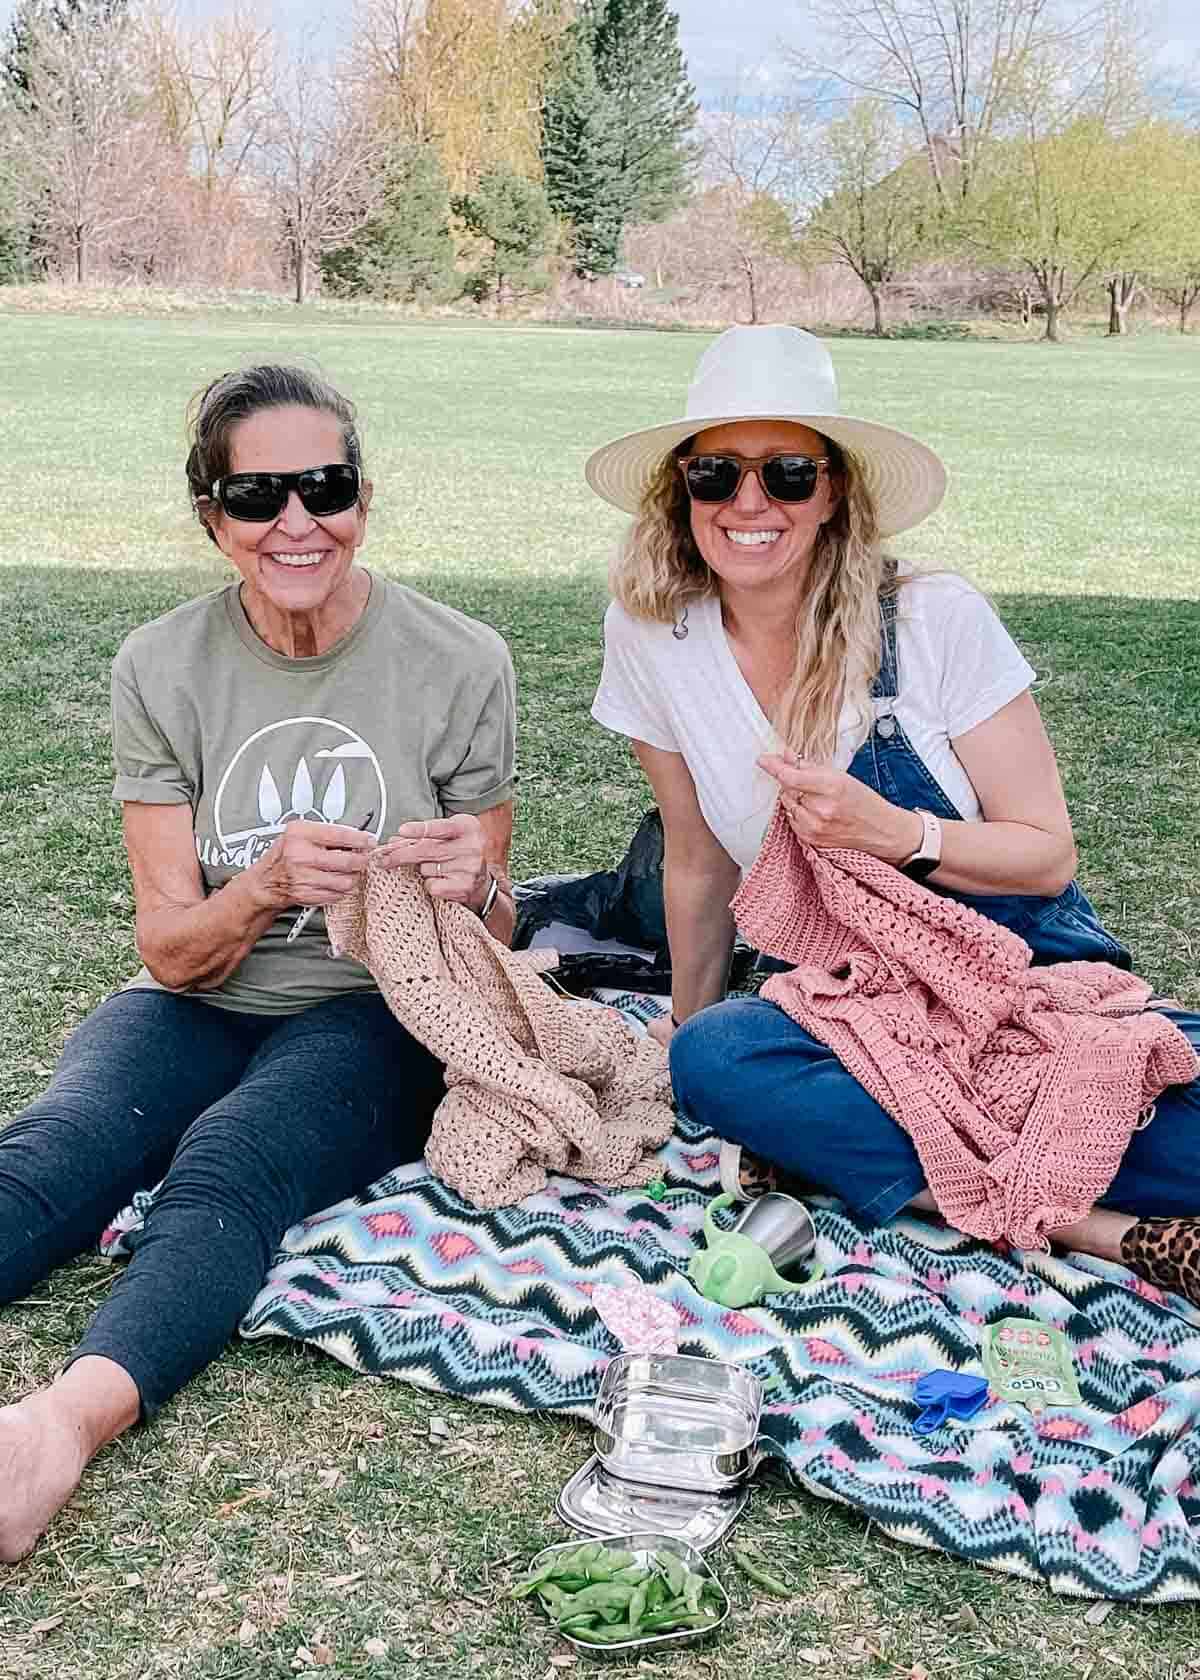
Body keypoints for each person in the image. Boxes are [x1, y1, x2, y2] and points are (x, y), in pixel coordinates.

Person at [0, 365, 516, 1561]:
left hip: (377, 1010)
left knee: (233, 1163)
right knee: (63, 1145)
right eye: (256, 496)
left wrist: (476, 884)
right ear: (211, 517)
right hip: (202, 994)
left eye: (324, 487)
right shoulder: (160, 666)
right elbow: (169, 947)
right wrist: (266, 886)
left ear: (365, 500)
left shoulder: (461, 658)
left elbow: (494, 945)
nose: (296, 523)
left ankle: (53, 1434)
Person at [587, 324, 1200, 1301]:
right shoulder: (653, 629)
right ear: (681, 492)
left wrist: (897, 834)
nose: (750, 504)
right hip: (847, 1001)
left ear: (833, 492)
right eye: (717, 477)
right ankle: (1093, 1226)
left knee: (1158, 1102)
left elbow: (1044, 857)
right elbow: (698, 860)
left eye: (786, 474)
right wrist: (688, 1048)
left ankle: (859, 1160)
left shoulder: (931, 619)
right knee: (720, 1058)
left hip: (1015, 976)